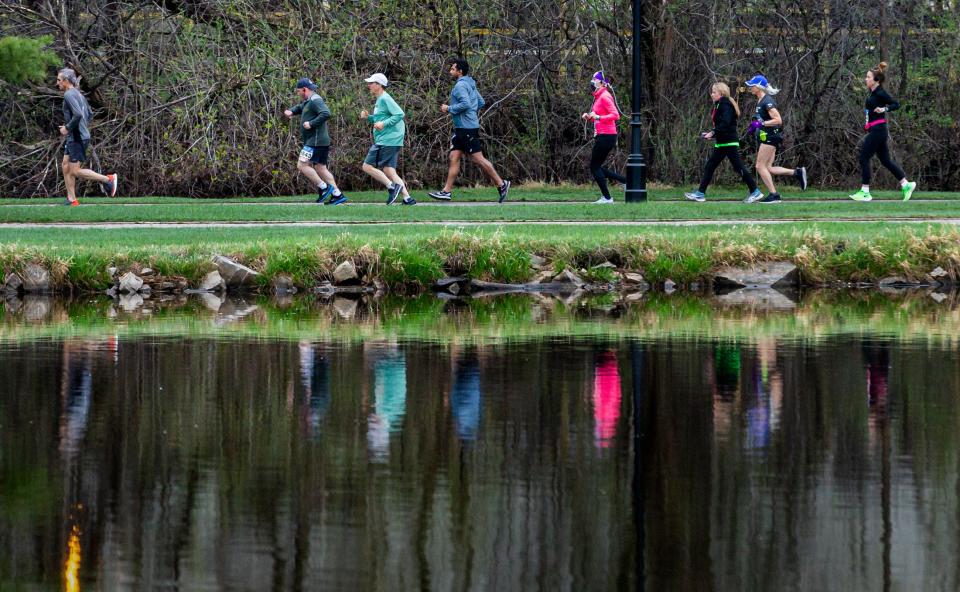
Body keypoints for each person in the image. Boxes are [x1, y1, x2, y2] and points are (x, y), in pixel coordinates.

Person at [428, 59, 511, 203]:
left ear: (460, 72)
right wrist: (470, 114)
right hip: (462, 127)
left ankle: (501, 184)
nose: (450, 70)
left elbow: (466, 104)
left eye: (453, 69)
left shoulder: (460, 86)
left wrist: (449, 109)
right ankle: (446, 192)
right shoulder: (470, 83)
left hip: (466, 128)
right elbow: (480, 102)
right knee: (454, 157)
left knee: (477, 158)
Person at [849, 62, 917, 202]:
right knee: (885, 160)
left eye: (868, 77)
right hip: (876, 129)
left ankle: (865, 192)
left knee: (864, 158)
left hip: (879, 130)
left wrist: (884, 109)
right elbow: (870, 112)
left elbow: (896, 104)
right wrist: (868, 124)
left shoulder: (880, 92)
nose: (865, 79)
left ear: (876, 80)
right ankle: (906, 184)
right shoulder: (873, 93)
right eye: (866, 77)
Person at [684, 82, 762, 203]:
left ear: (721, 93)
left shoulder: (725, 104)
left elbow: (725, 123)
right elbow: (722, 125)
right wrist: (713, 134)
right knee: (710, 166)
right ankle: (700, 193)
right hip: (722, 142)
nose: (711, 94)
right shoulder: (720, 104)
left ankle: (755, 191)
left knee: (738, 167)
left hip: (728, 142)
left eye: (714, 92)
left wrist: (713, 132)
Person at [56, 68, 117, 206]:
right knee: (65, 165)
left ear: (66, 81)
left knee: (75, 171)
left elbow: (78, 114)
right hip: (76, 136)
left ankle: (108, 180)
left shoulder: (69, 95)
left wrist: (68, 127)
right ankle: (71, 200)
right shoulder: (78, 94)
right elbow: (89, 114)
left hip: (77, 137)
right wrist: (80, 127)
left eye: (59, 80)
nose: (57, 83)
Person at [744, 74, 807, 204]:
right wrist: (754, 127)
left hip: (770, 137)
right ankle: (797, 173)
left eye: (752, 85)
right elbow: (763, 119)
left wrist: (761, 124)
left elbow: (778, 120)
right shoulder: (760, 100)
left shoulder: (767, 101)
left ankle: (774, 195)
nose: (749, 87)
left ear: (759, 87)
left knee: (759, 166)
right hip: (768, 136)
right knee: (769, 167)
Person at [283, 78, 347, 206]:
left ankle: (323, 187)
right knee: (321, 168)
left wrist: (311, 124)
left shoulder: (315, 100)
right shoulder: (309, 101)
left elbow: (326, 113)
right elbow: (302, 107)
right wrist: (292, 111)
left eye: (298, 91)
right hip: (319, 141)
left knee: (301, 165)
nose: (298, 93)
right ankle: (337, 195)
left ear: (304, 89)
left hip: (315, 142)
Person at [359, 73, 415, 205]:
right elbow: (381, 118)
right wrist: (369, 117)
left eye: (371, 83)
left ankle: (392, 187)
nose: (369, 85)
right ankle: (408, 199)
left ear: (379, 85)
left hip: (388, 139)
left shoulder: (385, 98)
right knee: (389, 170)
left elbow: (400, 114)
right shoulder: (379, 100)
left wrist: (383, 124)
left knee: (367, 166)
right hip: (391, 140)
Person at [581, 71, 626, 204]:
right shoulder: (599, 97)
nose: (592, 82)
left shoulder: (605, 96)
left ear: (601, 82)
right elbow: (598, 116)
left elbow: (616, 115)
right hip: (603, 135)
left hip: (606, 135)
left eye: (594, 79)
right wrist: (589, 117)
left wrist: (599, 117)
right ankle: (625, 182)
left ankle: (607, 198)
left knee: (595, 167)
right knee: (596, 167)